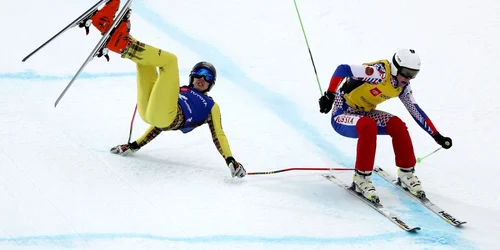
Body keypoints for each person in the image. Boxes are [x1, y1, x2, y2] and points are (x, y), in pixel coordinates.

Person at [88, 0, 246, 178]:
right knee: (145, 64)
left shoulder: (211, 106)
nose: (202, 78)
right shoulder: (179, 90)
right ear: (192, 76)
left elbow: (219, 134)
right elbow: (158, 124)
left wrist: (230, 160)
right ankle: (105, 26)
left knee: (170, 61)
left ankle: (122, 42)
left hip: (166, 116)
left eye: (208, 77)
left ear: (211, 84)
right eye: (199, 73)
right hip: (149, 112)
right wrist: (134, 146)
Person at [318, 49, 452, 203]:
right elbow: (343, 69)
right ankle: (361, 178)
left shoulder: (403, 87)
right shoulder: (378, 73)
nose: (408, 78)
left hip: (365, 114)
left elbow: (415, 111)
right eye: (406, 73)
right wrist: (330, 94)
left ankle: (406, 173)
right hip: (342, 114)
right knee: (368, 126)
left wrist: (436, 135)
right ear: (396, 68)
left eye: (413, 74)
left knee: (397, 125)